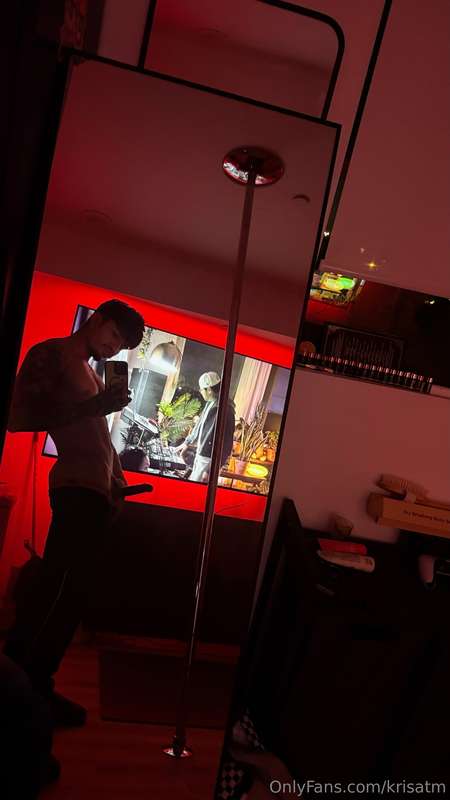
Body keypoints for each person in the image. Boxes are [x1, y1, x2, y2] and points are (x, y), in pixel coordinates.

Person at [3, 299, 145, 727]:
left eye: (122, 345)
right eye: (115, 335)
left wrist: (118, 482)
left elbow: (99, 439)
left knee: (71, 595)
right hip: (75, 489)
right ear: (97, 319)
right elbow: (18, 417)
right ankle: (20, 685)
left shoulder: (92, 372)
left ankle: (33, 684)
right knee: (57, 589)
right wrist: (93, 407)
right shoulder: (52, 354)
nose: (114, 348)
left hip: (97, 493)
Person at [176, 372, 235, 483]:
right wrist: (186, 443)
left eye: (202, 389)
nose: (200, 391)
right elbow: (199, 426)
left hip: (209, 461)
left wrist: (210, 470)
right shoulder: (210, 403)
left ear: (209, 390)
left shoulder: (227, 410)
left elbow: (227, 446)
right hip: (201, 456)